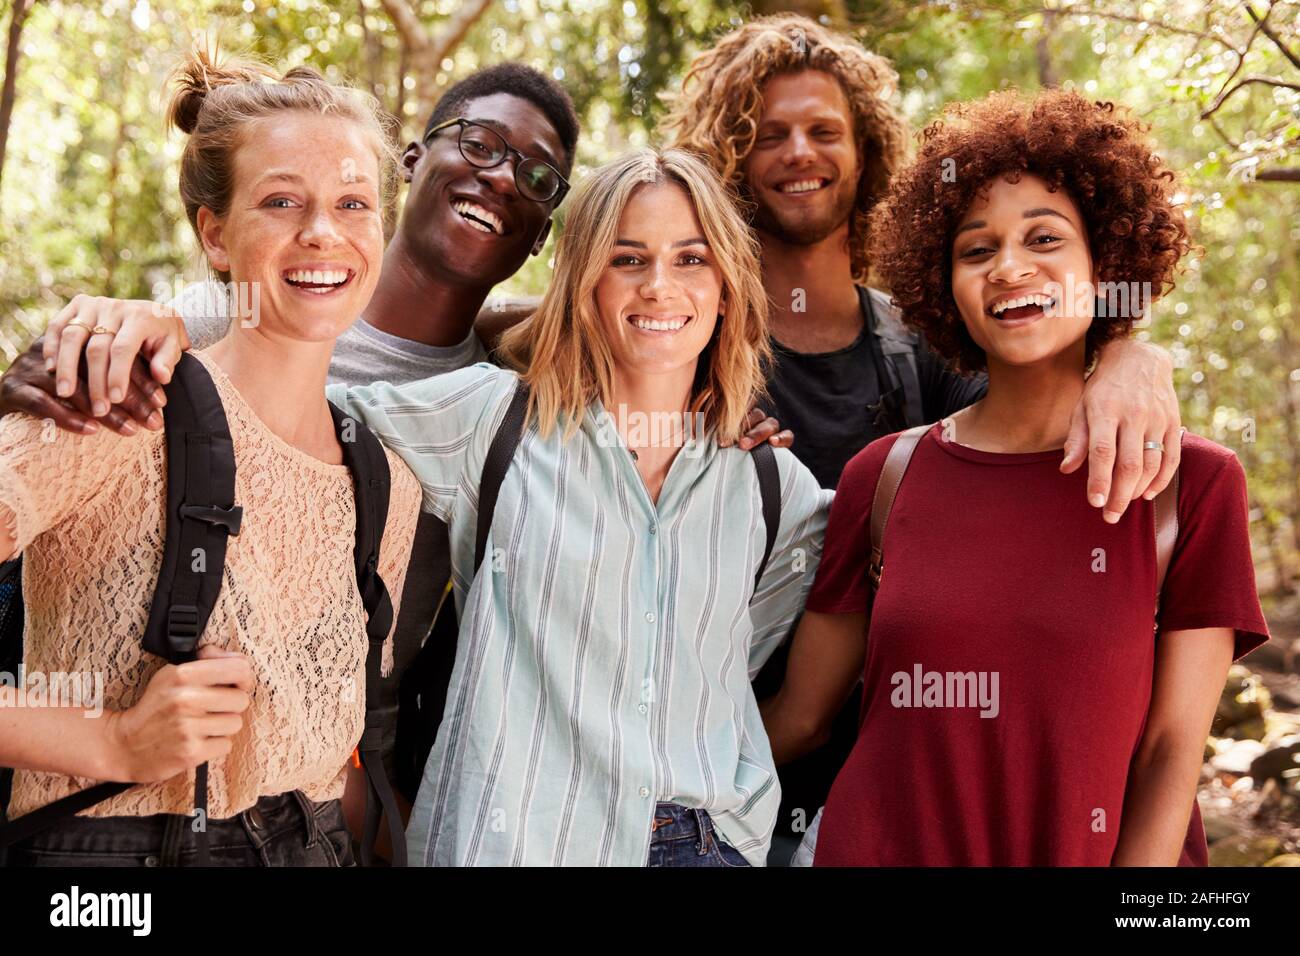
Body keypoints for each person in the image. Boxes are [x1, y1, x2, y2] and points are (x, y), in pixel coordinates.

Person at [72, 147, 833, 866]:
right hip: (517, 839)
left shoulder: (778, 492)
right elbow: (282, 406)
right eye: (626, 259)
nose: (659, 287)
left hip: (706, 844)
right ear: (586, 284)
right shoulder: (490, 422)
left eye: (690, 258)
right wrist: (170, 323)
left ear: (728, 283)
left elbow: (732, 674)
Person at [657, 13, 1189, 857]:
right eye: (768, 134)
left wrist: (1129, 349)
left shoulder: (915, 351)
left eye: (825, 131)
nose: (799, 152)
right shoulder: (686, 343)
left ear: (866, 151)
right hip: (724, 765)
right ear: (728, 159)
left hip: (906, 776)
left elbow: (1032, 407)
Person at [761, 88, 1269, 866]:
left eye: (1045, 239)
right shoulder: (884, 476)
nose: (1009, 268)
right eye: (976, 249)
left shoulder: (1188, 485)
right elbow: (802, 718)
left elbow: (1172, 749)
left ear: (1106, 265)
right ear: (946, 289)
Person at [0, 49, 422, 866]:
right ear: (215, 234)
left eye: (353, 203)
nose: (323, 232)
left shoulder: (386, 488)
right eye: (281, 201)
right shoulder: (120, 401)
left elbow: (331, 757)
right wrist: (114, 742)